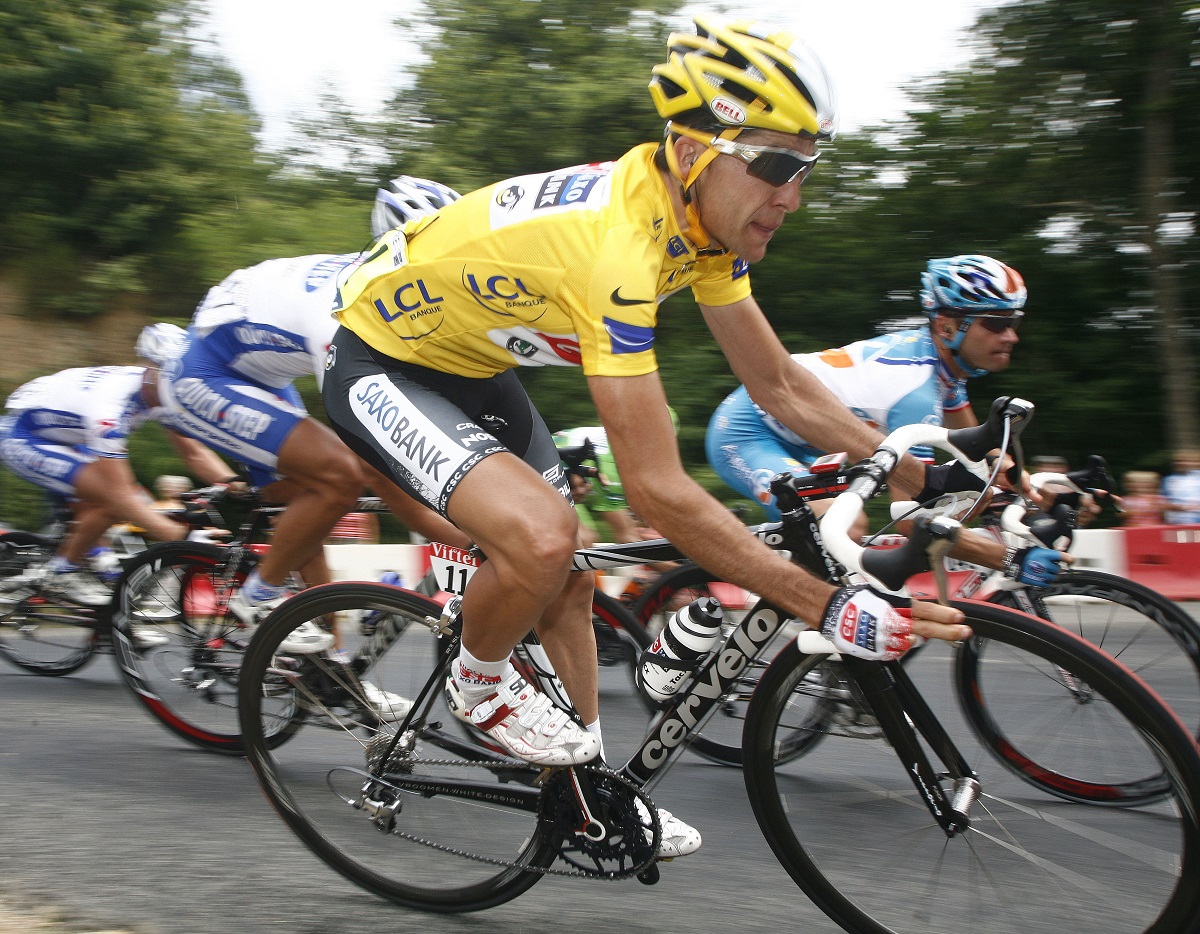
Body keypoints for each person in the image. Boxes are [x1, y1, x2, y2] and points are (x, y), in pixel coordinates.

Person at [319, 17, 1017, 859]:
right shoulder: (617, 248)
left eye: (808, 168)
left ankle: (583, 799)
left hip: (469, 362)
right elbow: (654, 489)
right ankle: (479, 679)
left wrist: (911, 474)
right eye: (777, 166)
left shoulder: (706, 226)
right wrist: (827, 606)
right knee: (547, 537)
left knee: (568, 578)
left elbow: (780, 385)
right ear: (693, 150)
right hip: (378, 359)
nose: (793, 195)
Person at [707, 254, 1025, 521]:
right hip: (748, 432)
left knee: (841, 536)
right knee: (840, 523)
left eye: (1012, 323)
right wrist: (1010, 558)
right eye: (996, 323)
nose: (1011, 337)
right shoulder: (915, 392)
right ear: (946, 327)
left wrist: (1024, 482)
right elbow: (912, 517)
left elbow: (980, 451)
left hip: (803, 442)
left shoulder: (942, 367)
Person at [0, 359, 234, 606]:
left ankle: (94, 561)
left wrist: (237, 485)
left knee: (116, 503)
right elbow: (120, 496)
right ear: (153, 372)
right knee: (112, 503)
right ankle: (61, 572)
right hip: (24, 438)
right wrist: (186, 539)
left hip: (67, 432)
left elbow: (193, 453)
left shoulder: (160, 389)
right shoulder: (111, 409)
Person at [1162, 450, 1200, 525]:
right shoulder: (1169, 480)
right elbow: (1164, 503)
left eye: (1186, 460)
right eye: (1178, 461)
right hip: (1177, 522)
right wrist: (1185, 507)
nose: (1182, 463)